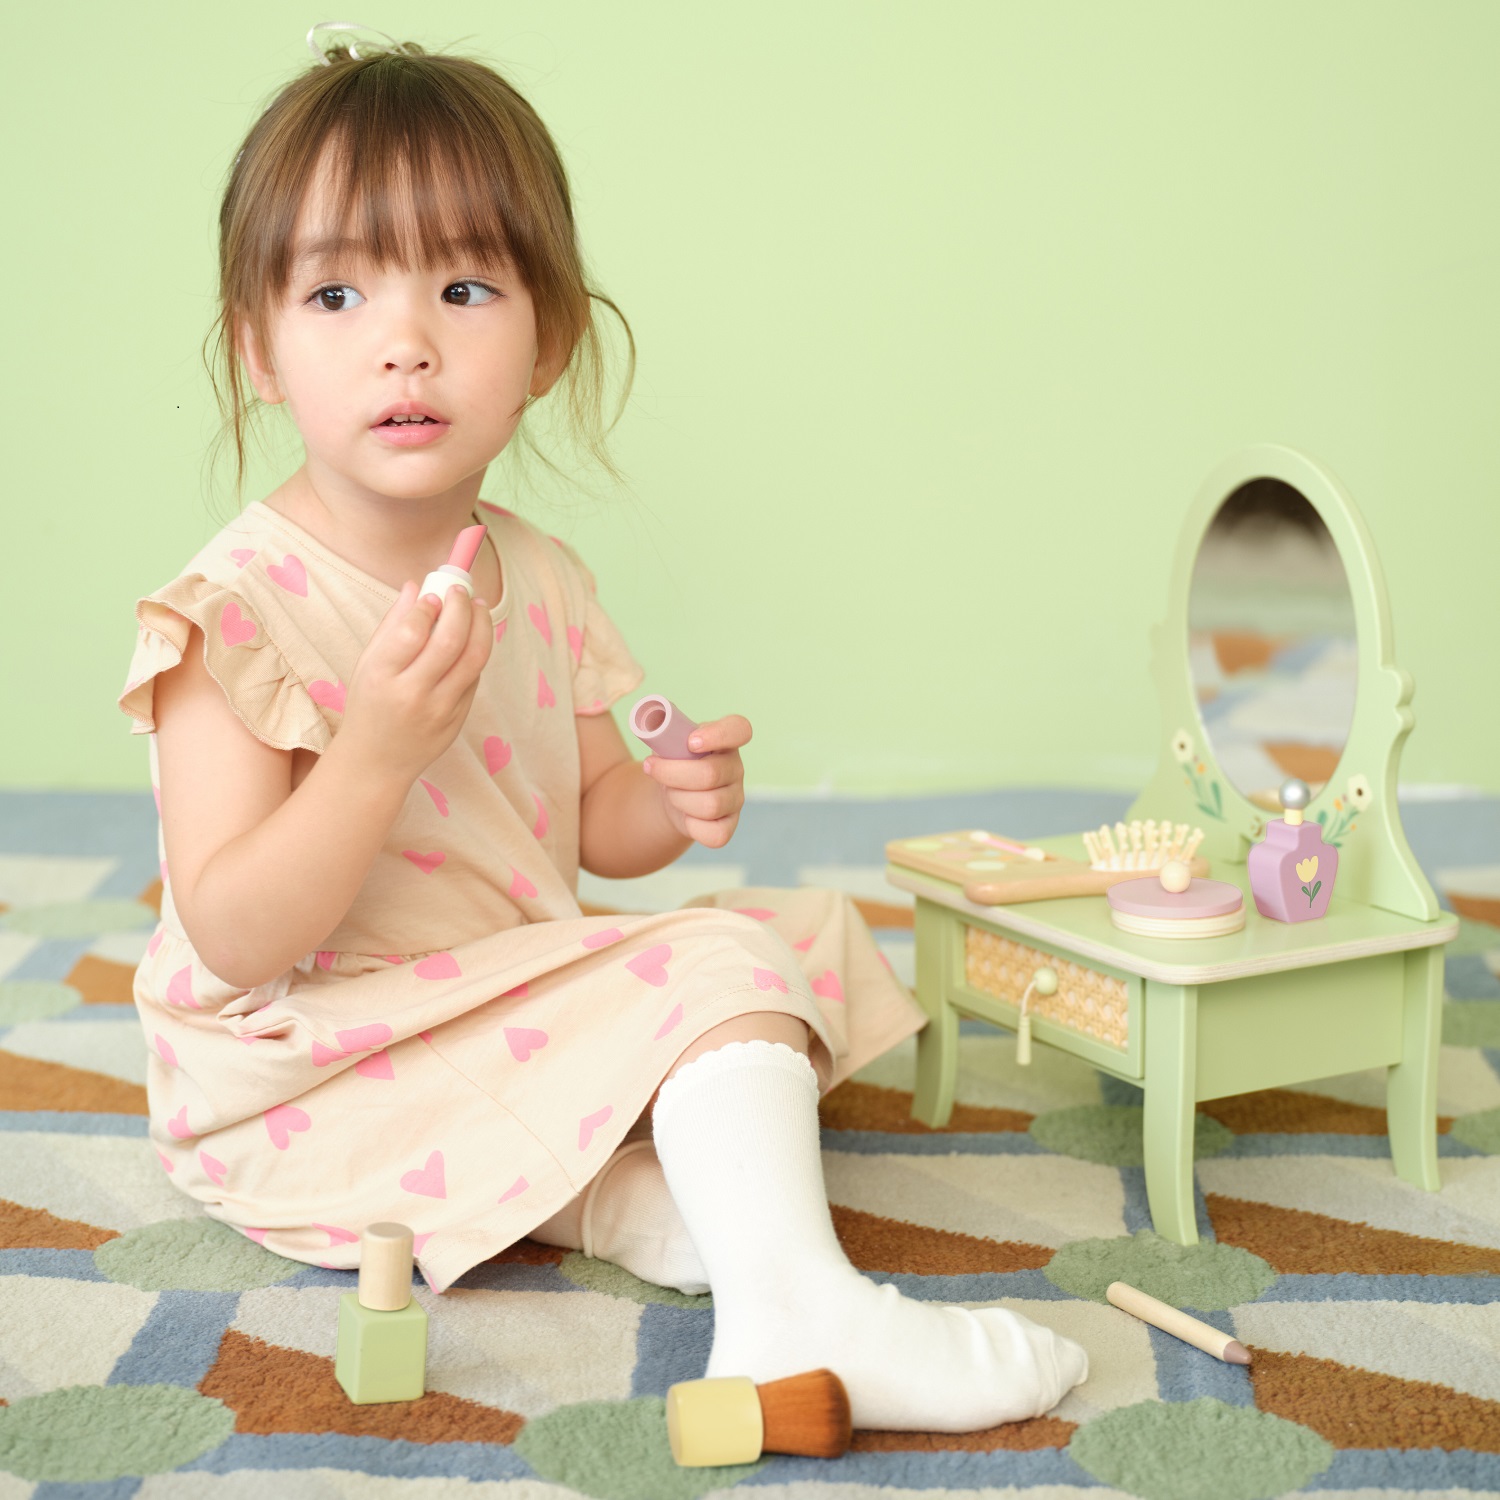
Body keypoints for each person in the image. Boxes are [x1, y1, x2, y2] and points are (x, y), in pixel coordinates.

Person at [118, 32, 1087, 1433]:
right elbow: (231, 935)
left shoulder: (542, 575)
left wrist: (670, 795)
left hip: (497, 995)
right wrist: (374, 754)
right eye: (337, 293)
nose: (405, 341)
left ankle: (614, 1203)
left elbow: (588, 829)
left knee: (798, 936)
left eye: (463, 288)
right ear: (259, 349)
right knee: (718, 974)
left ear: (549, 341)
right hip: (307, 1073)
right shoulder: (232, 616)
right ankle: (799, 1311)